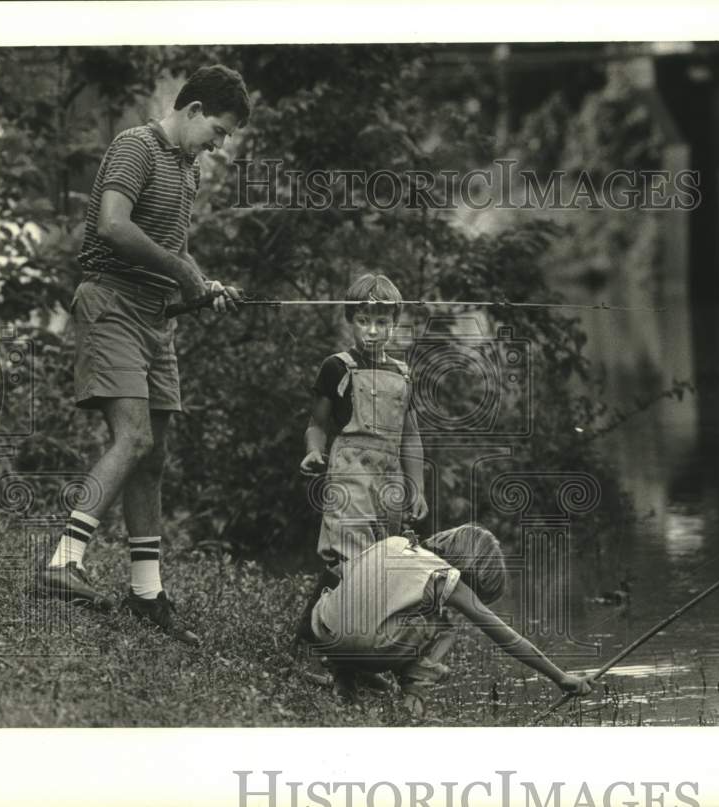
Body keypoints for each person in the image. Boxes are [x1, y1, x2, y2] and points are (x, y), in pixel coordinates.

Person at [34, 65, 252, 645]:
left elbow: (173, 256)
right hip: (111, 305)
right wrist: (183, 271)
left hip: (155, 323)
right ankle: (62, 561)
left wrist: (203, 287)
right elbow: (112, 227)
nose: (220, 143)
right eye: (220, 130)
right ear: (195, 108)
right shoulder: (137, 146)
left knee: (152, 457)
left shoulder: (187, 170)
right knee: (133, 438)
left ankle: (146, 593)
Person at [308, 523, 592, 715]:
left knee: (355, 607)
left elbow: (347, 581)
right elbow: (506, 637)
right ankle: (412, 703)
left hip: (325, 631)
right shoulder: (446, 576)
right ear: (468, 571)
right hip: (369, 648)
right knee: (445, 630)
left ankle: (344, 683)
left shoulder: (394, 543)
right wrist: (560, 676)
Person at [300, 273, 428, 570]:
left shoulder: (402, 373)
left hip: (390, 482)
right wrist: (313, 450)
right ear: (350, 319)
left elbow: (410, 437)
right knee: (349, 557)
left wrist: (417, 488)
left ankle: (369, 614)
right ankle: (326, 614)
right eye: (363, 320)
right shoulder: (337, 366)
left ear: (394, 323)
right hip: (351, 477)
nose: (372, 331)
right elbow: (317, 423)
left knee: (384, 558)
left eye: (381, 323)